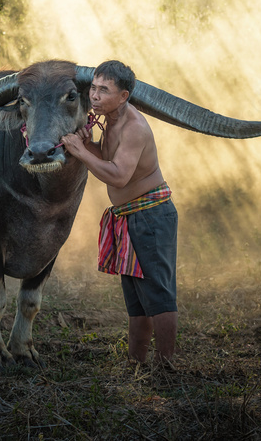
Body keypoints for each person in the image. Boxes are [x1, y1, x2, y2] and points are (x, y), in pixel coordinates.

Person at [60, 60, 179, 366]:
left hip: (150, 215)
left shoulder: (134, 127)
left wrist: (82, 152)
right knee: (137, 301)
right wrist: (90, 147)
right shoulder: (110, 121)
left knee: (158, 295)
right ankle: (136, 363)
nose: (95, 96)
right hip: (129, 216)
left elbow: (118, 175)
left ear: (124, 96)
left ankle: (167, 366)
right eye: (93, 88)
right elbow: (108, 157)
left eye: (104, 90)